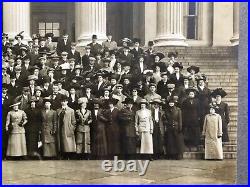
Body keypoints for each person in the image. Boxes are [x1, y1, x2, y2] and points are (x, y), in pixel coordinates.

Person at [56, 95, 76, 160]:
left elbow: (74, 121)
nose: (63, 103)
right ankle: (62, 155)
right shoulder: (58, 110)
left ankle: (68, 155)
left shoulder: (71, 110)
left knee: (68, 142)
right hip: (60, 127)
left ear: (67, 102)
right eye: (62, 101)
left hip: (67, 128)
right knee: (61, 141)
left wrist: (72, 128)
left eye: (64, 101)